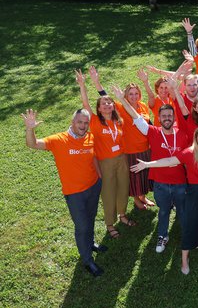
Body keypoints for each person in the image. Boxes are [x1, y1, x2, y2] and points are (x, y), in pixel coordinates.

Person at [22, 108, 106, 276]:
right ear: (72, 122)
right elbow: (32, 144)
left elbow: (94, 157)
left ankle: (89, 244)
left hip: (93, 186)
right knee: (82, 226)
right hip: (74, 193)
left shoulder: (90, 137)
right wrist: (30, 129)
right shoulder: (59, 140)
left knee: (90, 218)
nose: (83, 126)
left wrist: (100, 177)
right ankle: (88, 260)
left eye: (85, 123)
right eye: (79, 122)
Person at [131, 126, 198, 274]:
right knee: (191, 223)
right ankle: (184, 258)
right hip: (194, 191)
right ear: (196, 140)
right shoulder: (189, 153)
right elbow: (169, 160)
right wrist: (147, 164)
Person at [111, 86, 189, 253]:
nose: (167, 118)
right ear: (159, 118)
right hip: (160, 183)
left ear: (174, 118)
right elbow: (136, 117)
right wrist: (122, 99)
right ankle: (162, 236)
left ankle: (188, 234)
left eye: (170, 115)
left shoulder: (183, 135)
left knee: (182, 210)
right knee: (163, 211)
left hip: (180, 183)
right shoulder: (152, 132)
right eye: (164, 116)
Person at [75, 70, 132, 239]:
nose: (107, 105)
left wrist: (98, 82)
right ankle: (109, 223)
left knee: (123, 187)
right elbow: (85, 103)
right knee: (108, 192)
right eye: (103, 104)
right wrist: (83, 85)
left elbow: (109, 98)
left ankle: (122, 215)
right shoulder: (94, 121)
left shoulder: (118, 120)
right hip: (105, 162)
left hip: (122, 159)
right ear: (98, 109)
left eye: (109, 103)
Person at [89, 67, 155, 210]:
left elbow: (149, 125)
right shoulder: (120, 107)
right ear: (125, 95)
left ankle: (143, 197)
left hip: (145, 148)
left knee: (144, 175)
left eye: (136, 93)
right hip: (130, 150)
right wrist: (96, 82)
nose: (133, 96)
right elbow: (105, 97)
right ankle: (137, 199)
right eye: (130, 94)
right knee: (135, 177)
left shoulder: (143, 106)